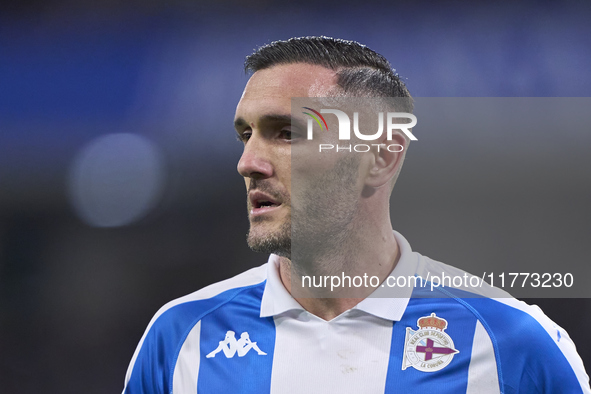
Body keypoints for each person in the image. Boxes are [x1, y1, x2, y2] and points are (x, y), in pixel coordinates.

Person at [122, 36, 590, 393]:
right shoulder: (182, 336)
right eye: (246, 134)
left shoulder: (512, 341)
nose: (248, 163)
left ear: (382, 157)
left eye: (286, 132)